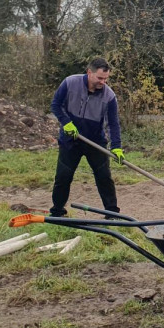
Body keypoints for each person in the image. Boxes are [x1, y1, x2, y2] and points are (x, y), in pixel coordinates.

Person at [49, 57, 123, 217]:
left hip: (95, 141)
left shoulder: (109, 96)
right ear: (89, 72)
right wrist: (66, 122)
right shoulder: (70, 83)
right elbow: (55, 105)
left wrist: (116, 146)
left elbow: (113, 123)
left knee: (104, 177)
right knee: (63, 177)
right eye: (100, 78)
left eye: (106, 79)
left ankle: (112, 214)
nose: (103, 82)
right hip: (70, 141)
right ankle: (57, 212)